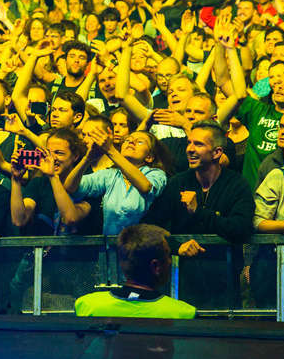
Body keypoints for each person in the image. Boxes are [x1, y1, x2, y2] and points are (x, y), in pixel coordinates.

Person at [145, 120, 255, 257]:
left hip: (225, 266)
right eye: (189, 143)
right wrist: (176, 247)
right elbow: (151, 226)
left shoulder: (236, 184)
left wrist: (198, 211)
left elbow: (241, 229)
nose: (190, 149)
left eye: (198, 144)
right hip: (185, 267)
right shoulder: (178, 183)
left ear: (217, 152)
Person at [73, 224, 196, 318]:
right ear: (156, 266)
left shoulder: (87, 306)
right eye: (168, 256)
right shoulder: (183, 313)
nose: (170, 261)